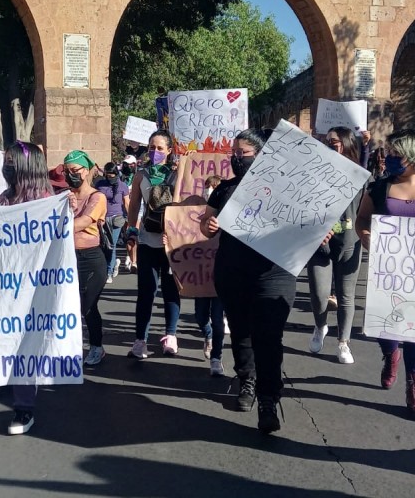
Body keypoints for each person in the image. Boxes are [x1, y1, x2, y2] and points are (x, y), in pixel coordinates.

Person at [200, 128, 295, 434]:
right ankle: (247, 382)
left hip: (273, 274)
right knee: (240, 332)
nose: (237, 158)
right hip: (233, 271)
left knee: (268, 337)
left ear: (262, 154)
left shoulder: (286, 188)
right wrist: (209, 225)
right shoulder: (224, 189)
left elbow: (305, 223)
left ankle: (268, 398)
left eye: (244, 153)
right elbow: (205, 223)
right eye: (235, 153)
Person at [355, 129, 415, 423]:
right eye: (389, 152)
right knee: (385, 327)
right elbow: (362, 218)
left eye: (396, 153)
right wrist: (364, 233)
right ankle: (391, 354)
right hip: (387, 271)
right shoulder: (379, 188)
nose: (389, 158)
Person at [0, 141, 54, 434]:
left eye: (10, 161)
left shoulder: (47, 201)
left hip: (34, 288)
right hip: (5, 285)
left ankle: (23, 408)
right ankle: (13, 383)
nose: (6, 166)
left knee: (24, 346)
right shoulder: (3, 199)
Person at [307, 127, 368, 364]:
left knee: (346, 296)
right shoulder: (314, 174)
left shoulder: (361, 176)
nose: (329, 144)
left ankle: (343, 342)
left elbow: (367, 210)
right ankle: (320, 326)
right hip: (319, 243)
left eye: (334, 141)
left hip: (349, 242)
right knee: (320, 294)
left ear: (346, 143)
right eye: (326, 141)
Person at [127, 130, 181, 358]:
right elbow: (133, 205)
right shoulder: (141, 175)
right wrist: (131, 230)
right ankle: (141, 340)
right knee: (146, 292)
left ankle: (170, 336)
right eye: (151, 147)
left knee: (171, 291)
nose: (155, 151)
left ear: (169, 150)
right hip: (148, 241)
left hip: (172, 243)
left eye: (160, 148)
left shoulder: (178, 174)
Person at [63, 150, 109, 367]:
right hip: (68, 258)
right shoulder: (64, 196)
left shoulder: (97, 197)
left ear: (87, 170)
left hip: (91, 259)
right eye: (66, 171)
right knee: (69, 305)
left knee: (88, 306)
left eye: (74, 170)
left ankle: (97, 347)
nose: (70, 175)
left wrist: (48, 228)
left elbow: (83, 222)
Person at [95, 162, 130, 284]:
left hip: (116, 219)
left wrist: (130, 220)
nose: (109, 178)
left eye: (112, 176)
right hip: (102, 218)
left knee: (111, 245)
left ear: (116, 173)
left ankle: (108, 272)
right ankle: (114, 263)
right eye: (107, 176)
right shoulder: (100, 184)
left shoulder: (122, 186)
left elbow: (126, 203)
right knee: (102, 245)